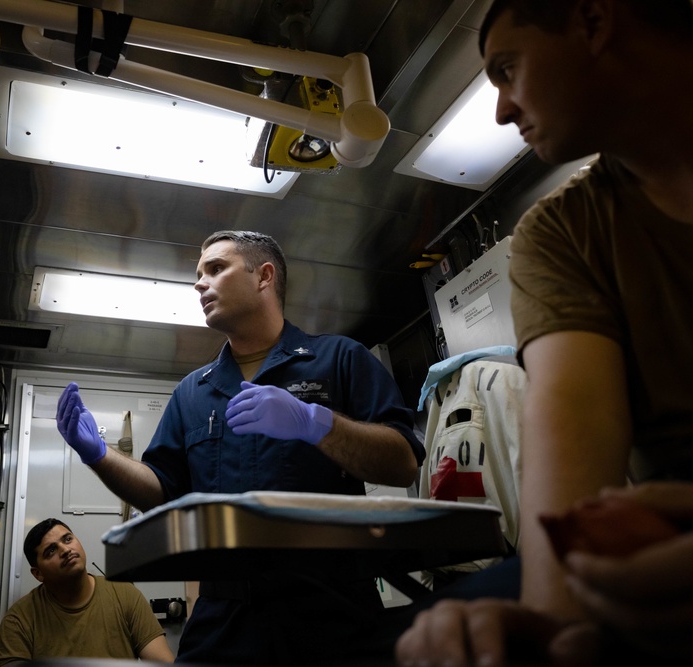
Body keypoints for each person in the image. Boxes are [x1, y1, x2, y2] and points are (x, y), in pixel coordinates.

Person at [395, 1, 693, 664]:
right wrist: (558, 629)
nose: (501, 109)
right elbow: (573, 475)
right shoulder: (566, 233)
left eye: (507, 69)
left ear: (592, 21)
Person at [57, 230, 424, 664]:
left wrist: (315, 422)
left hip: (330, 611)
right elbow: (162, 490)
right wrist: (99, 456)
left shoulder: (338, 359)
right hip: (224, 619)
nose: (199, 283)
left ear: (264, 276)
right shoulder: (194, 391)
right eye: (198, 274)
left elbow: (402, 463)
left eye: (215, 268)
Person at [0, 518, 174, 665]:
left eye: (67, 539)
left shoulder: (125, 594)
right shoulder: (18, 622)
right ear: (38, 573)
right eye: (51, 551)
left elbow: (162, 662)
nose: (65, 550)